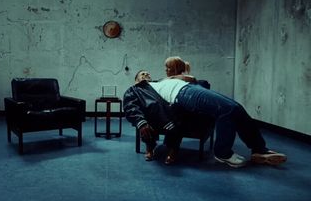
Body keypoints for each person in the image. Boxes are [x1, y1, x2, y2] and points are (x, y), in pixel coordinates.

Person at [123, 69, 287, 168]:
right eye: (142, 74)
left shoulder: (161, 81)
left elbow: (196, 80)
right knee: (227, 110)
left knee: (235, 108)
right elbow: (130, 107)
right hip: (181, 95)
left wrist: (186, 78)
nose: (146, 75)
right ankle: (222, 153)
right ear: (136, 80)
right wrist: (141, 121)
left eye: (147, 73)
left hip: (189, 88)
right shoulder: (134, 90)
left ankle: (259, 150)